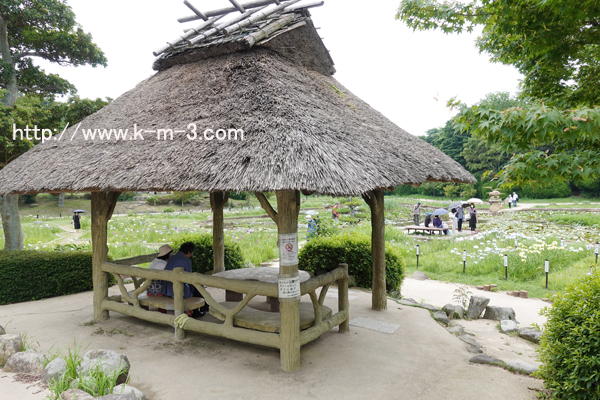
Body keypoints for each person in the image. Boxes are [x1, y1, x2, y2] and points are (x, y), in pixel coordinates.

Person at [162, 242, 206, 317]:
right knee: (197, 286)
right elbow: (189, 278)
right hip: (177, 291)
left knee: (196, 287)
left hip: (167, 289)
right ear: (188, 253)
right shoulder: (186, 261)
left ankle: (203, 306)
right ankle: (198, 309)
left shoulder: (172, 258)